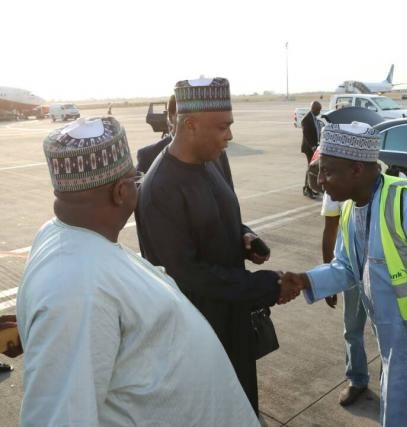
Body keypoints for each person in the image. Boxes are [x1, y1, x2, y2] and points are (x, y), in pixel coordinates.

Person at [17, 116, 258, 426]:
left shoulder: (62, 235)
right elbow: (58, 417)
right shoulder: (77, 291)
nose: (139, 184)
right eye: (134, 178)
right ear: (121, 192)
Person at [279, 122, 407, 427]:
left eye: (328, 171)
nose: (320, 181)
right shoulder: (352, 208)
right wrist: (307, 279)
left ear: (357, 170)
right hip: (399, 347)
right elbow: (347, 267)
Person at [136, 77, 282, 415]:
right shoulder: (160, 188)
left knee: (243, 406)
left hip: (233, 319)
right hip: (200, 334)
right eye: (222, 127)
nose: (229, 136)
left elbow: (223, 212)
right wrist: (266, 285)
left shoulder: (213, 159)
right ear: (189, 125)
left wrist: (245, 238)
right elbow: (186, 275)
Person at [320, 190, 371, 406]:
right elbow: (330, 229)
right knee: (352, 330)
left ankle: (394, 386)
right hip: (352, 270)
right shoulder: (334, 185)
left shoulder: (391, 173)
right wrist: (329, 280)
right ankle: (357, 380)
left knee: (392, 334)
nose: (323, 179)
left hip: (387, 273)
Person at [301, 100, 322, 198]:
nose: (319, 112)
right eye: (318, 110)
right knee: (310, 168)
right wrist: (313, 147)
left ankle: (308, 187)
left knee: (312, 168)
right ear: (314, 109)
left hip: (315, 147)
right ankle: (307, 189)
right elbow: (307, 136)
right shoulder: (306, 119)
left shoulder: (315, 118)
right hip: (309, 148)